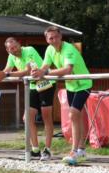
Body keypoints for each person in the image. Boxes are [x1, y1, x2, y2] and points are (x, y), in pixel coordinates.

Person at [38, 26, 93, 165]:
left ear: (61, 36)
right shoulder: (50, 50)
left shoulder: (69, 49)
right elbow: (45, 66)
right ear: (47, 40)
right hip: (71, 86)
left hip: (83, 84)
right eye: (51, 38)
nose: (54, 40)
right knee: (76, 116)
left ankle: (74, 151)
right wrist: (38, 71)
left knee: (73, 114)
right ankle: (81, 148)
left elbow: (68, 69)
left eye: (56, 37)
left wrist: (46, 73)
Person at [0, 36, 54, 159]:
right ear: (7, 51)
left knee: (46, 116)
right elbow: (6, 70)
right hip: (32, 86)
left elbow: (27, 71)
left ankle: (47, 149)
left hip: (45, 83)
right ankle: (35, 149)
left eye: (15, 47)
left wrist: (6, 74)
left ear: (19, 44)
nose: (14, 50)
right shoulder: (11, 56)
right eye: (11, 49)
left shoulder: (29, 50)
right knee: (27, 118)